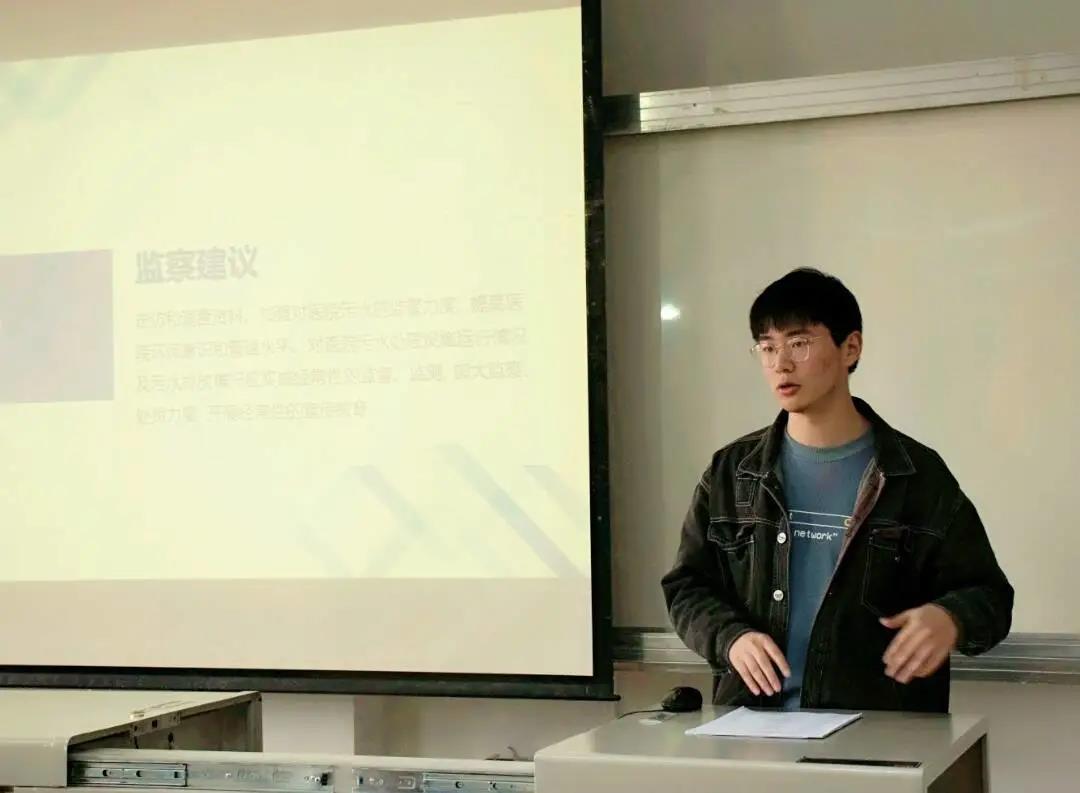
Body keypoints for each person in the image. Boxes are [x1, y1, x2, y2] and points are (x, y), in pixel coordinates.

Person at [661, 268, 1013, 712]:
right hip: (753, 727)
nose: (780, 364)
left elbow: (990, 596)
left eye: (799, 343)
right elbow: (687, 587)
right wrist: (731, 638)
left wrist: (950, 618)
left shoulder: (915, 475)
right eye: (767, 347)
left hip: (877, 730)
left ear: (851, 348)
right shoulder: (732, 473)